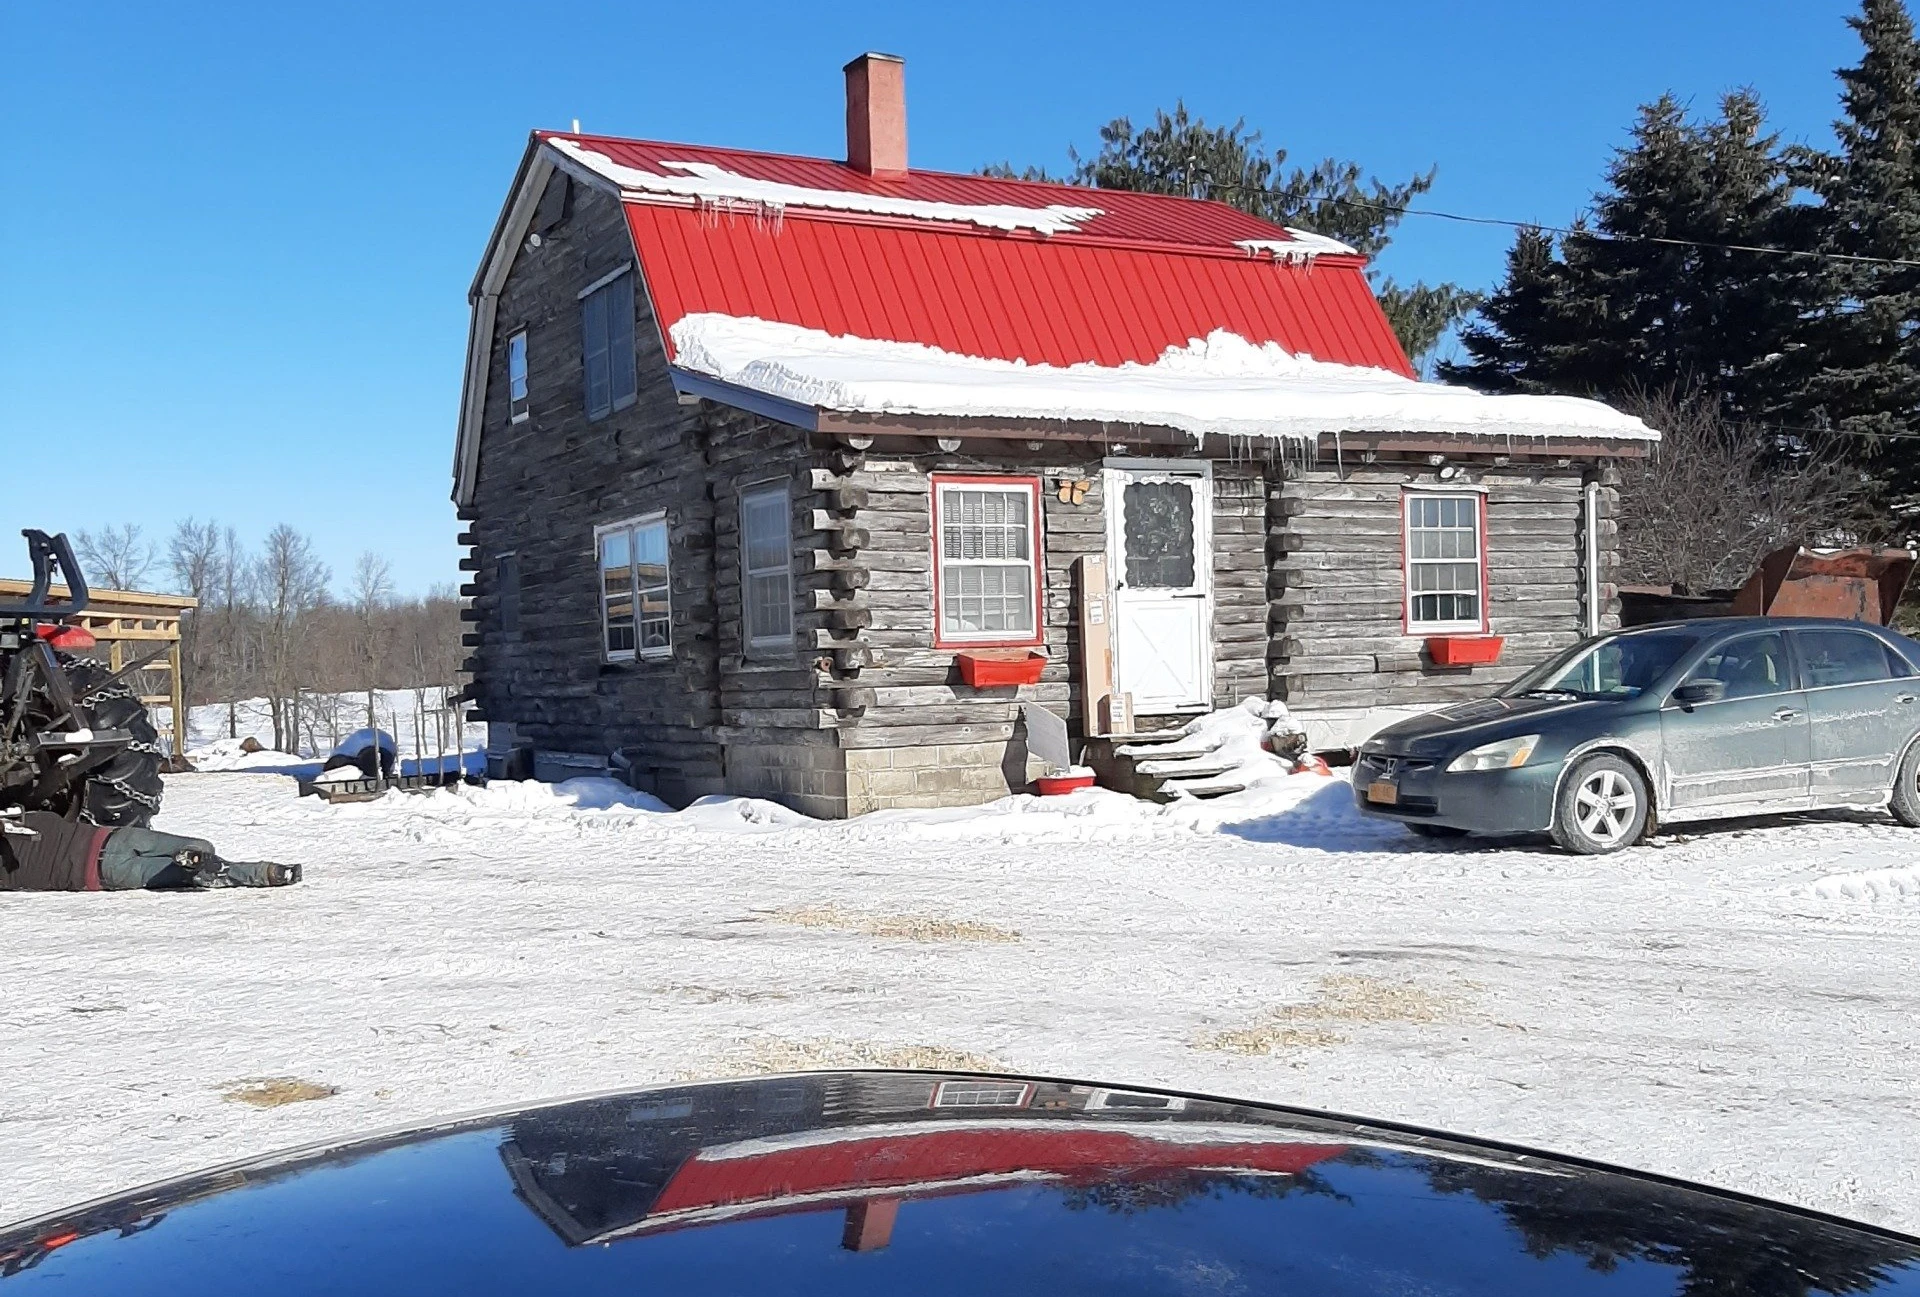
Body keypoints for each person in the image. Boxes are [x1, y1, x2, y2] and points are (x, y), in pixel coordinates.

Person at [0, 811, 300, 892]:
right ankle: (197, 857)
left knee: (189, 876)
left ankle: (264, 873)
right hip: (109, 840)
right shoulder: (13, 822)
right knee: (197, 847)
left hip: (101, 874)